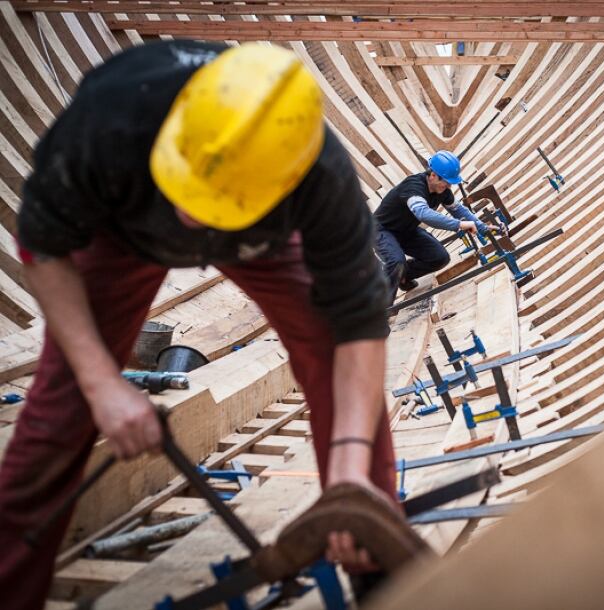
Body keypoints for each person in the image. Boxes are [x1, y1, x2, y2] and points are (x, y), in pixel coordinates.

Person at [0, 40, 403, 609]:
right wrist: (101, 384)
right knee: (61, 407)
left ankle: (374, 553)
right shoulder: (113, 115)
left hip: (260, 235)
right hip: (125, 230)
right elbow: (43, 248)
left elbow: (358, 328)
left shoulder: (319, 176)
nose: (191, 216)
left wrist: (348, 471)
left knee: (329, 352)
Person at [374, 151, 497, 301]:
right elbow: (423, 214)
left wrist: (481, 226)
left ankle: (402, 277)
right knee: (396, 261)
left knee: (440, 258)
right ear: (432, 175)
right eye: (445, 182)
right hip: (381, 230)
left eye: (450, 183)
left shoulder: (443, 191)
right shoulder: (413, 187)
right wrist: (459, 225)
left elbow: (458, 210)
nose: (448, 186)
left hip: (406, 230)